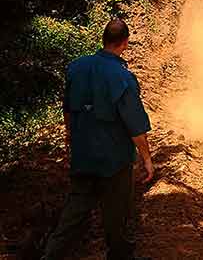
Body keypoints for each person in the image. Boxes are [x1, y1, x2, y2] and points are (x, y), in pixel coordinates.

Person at [42, 18, 153, 260]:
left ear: (103, 40)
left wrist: (71, 138)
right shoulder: (123, 77)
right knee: (116, 215)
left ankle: (51, 256)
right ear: (125, 43)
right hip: (114, 161)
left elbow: (68, 109)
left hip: (83, 156)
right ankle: (119, 255)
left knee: (73, 215)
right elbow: (134, 124)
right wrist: (146, 159)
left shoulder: (76, 68)